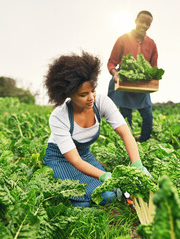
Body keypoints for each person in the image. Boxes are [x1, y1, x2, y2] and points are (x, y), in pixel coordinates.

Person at [43, 51, 150, 207]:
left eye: (92, 90)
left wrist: (137, 164)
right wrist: (104, 175)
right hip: (61, 159)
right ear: (69, 94)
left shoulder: (101, 103)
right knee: (81, 204)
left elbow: (126, 134)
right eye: (83, 94)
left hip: (85, 156)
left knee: (108, 196)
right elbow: (74, 160)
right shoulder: (59, 116)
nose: (91, 98)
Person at [107, 10, 158, 142]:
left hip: (141, 85)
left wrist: (153, 77)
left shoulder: (151, 44)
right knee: (125, 116)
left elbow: (154, 67)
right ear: (136, 21)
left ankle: (143, 143)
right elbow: (111, 62)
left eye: (148, 23)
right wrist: (115, 74)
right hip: (125, 82)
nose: (144, 25)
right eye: (142, 21)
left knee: (148, 117)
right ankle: (128, 144)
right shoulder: (123, 39)